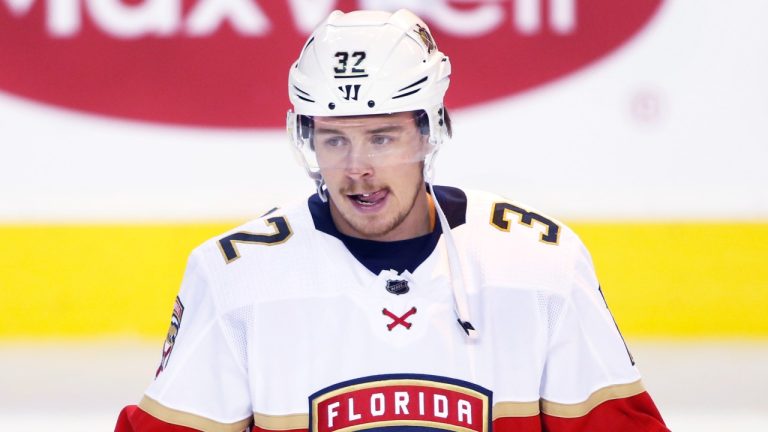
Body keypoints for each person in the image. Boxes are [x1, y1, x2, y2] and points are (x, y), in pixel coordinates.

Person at [116, 9, 669, 432]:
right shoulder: (237, 277)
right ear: (307, 140)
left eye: (382, 138)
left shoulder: (538, 265)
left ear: (430, 131)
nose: (358, 168)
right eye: (335, 139)